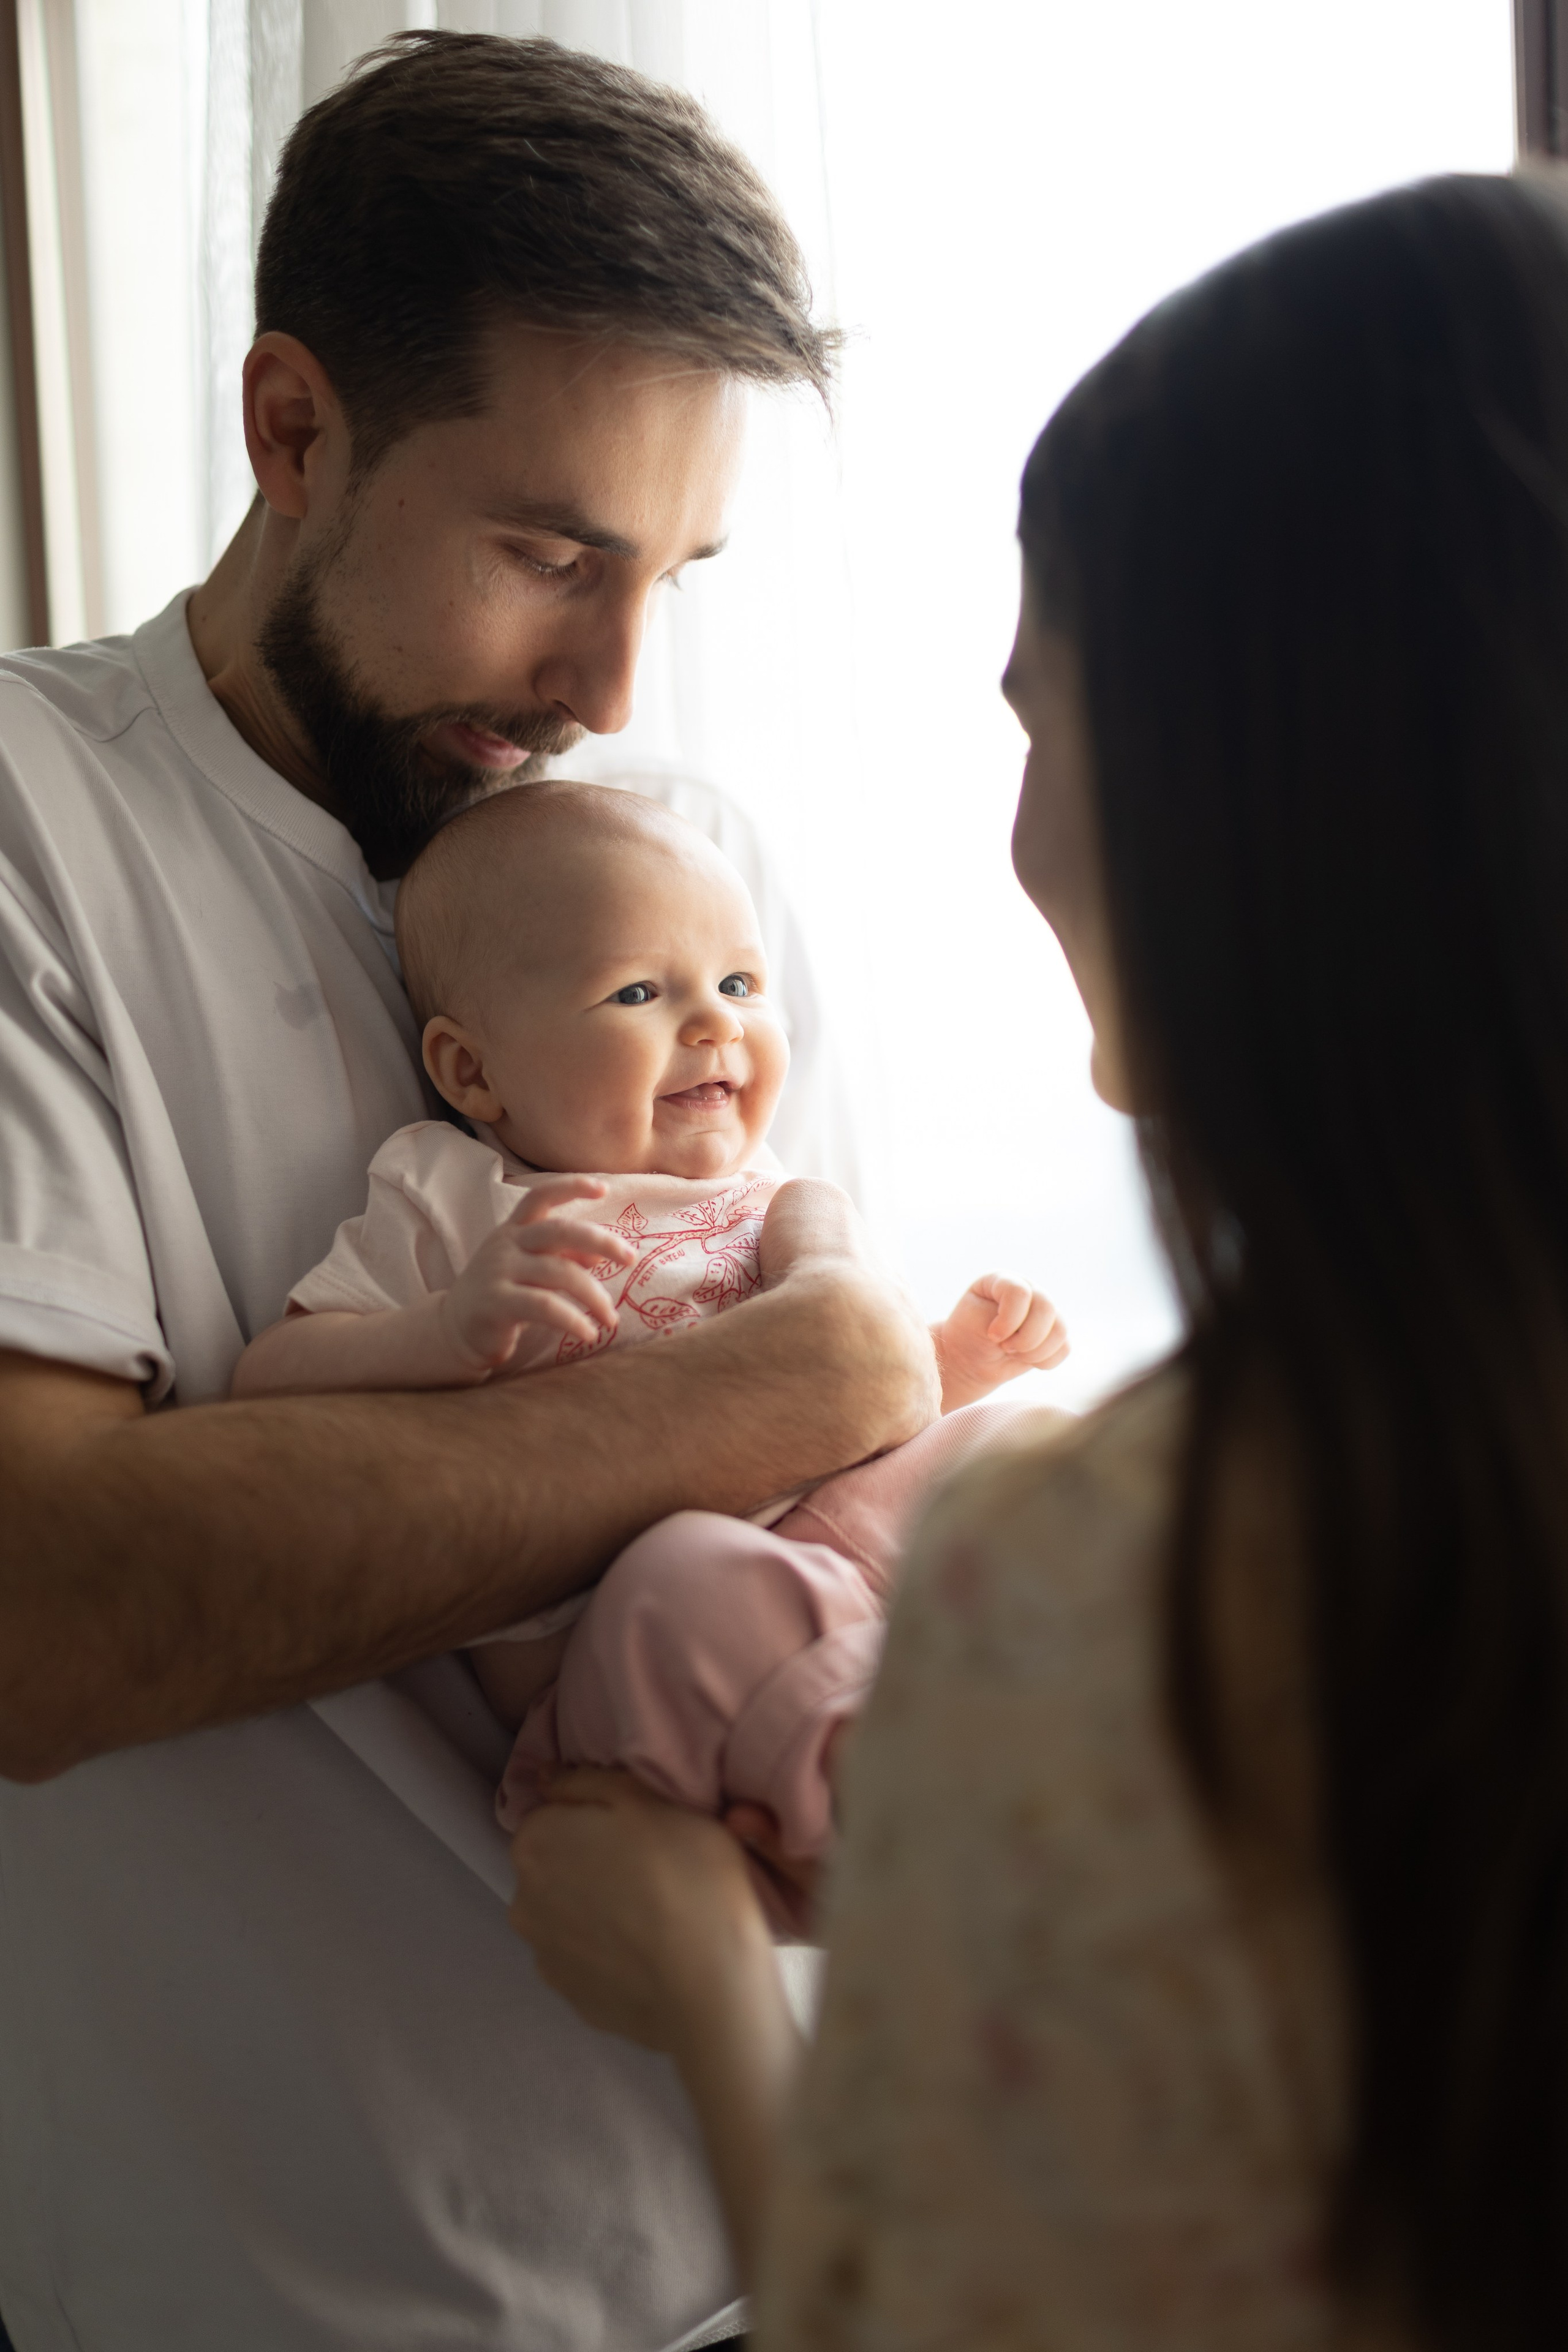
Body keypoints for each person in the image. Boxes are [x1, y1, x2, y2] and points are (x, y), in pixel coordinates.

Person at [510, 172, 1568, 2349]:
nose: (1019, 830)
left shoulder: (1124, 1594)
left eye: (1036, 713)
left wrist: (710, 1986)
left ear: (1243, 790)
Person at [0, 31, 938, 2351]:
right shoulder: (33, 827)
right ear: (294, 429)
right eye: (550, 556)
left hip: (761, 2238)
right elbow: (41, 1610)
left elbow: (864, 1464)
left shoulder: (671, 872)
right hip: (277, 2305)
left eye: (674, 576)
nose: (614, 683)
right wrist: (762, 1382)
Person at [232, 780, 1068, 1896]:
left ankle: (1090, 1704)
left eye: (737, 983)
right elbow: (266, 1380)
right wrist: (443, 1329)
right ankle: (904, 1809)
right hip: (623, 1651)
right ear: (471, 1070)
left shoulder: (767, 1191)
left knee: (1030, 1449)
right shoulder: (455, 1196)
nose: (717, 1021)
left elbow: (856, 1398)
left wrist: (951, 1365)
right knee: (695, 1580)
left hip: (831, 1556)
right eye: (639, 991)